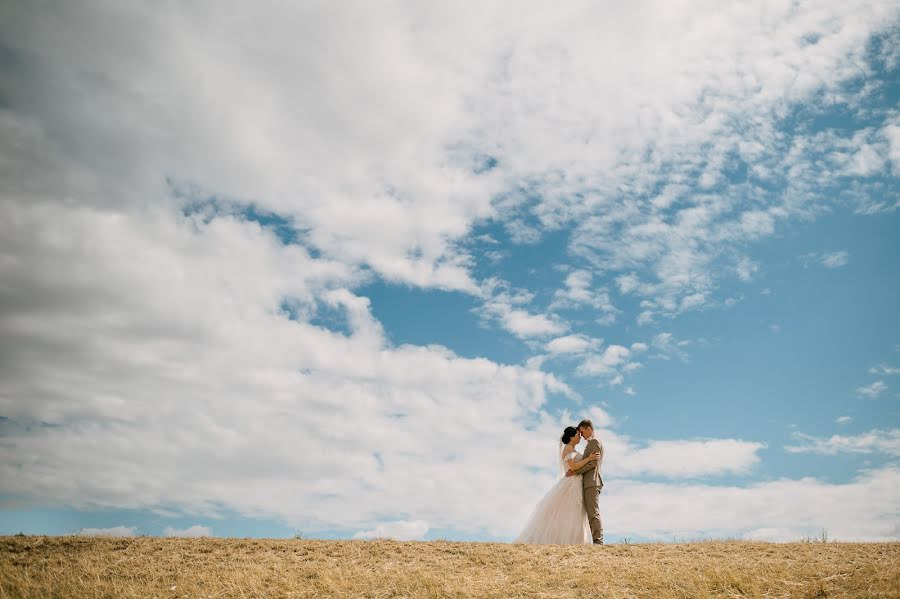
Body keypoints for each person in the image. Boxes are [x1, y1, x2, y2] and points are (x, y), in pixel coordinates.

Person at [513, 425, 600, 544]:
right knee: (570, 511)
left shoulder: (572, 449)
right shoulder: (568, 449)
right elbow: (573, 467)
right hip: (571, 483)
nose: (579, 436)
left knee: (576, 511)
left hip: (577, 482)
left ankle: (577, 540)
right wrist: (589, 459)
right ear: (571, 437)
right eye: (577, 434)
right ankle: (568, 540)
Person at [568, 419, 604, 544]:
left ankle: (598, 542)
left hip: (592, 482)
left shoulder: (594, 441)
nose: (581, 435)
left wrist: (575, 471)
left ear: (589, 428)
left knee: (593, 513)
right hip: (589, 482)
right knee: (590, 513)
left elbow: (593, 463)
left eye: (582, 432)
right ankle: (596, 541)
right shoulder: (592, 442)